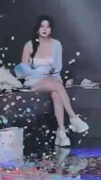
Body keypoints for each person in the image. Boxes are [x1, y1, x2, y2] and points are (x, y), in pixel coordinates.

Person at [19, 15, 89, 147]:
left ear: (51, 29)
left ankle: (62, 132)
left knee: (56, 93)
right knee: (57, 87)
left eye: (48, 26)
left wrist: (51, 76)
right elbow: (22, 69)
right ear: (37, 29)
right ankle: (73, 118)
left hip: (52, 79)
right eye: (42, 26)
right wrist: (38, 74)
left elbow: (57, 67)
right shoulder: (29, 44)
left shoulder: (56, 44)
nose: (45, 29)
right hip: (33, 80)